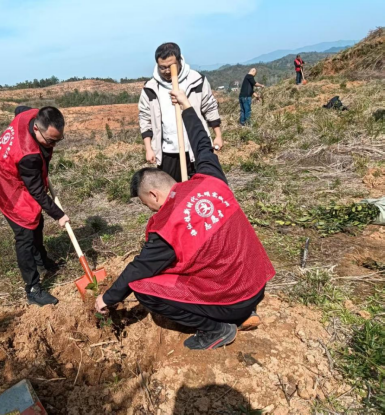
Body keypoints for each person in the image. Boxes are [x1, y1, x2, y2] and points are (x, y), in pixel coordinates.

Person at [96, 89, 276, 351]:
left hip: (233, 298)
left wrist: (107, 298)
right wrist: (187, 107)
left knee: (142, 287)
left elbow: (140, 268)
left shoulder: (168, 225)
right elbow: (202, 144)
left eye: (147, 205)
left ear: (153, 194)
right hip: (256, 284)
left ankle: (216, 329)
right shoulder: (210, 179)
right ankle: (244, 312)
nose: (152, 211)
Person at [0, 106, 70, 307]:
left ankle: (42, 260)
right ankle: (33, 290)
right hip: (6, 185)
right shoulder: (28, 156)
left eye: (58, 140)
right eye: (50, 141)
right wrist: (59, 214)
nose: (54, 145)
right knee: (25, 233)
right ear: (36, 129)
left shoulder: (30, 114)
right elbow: (38, 192)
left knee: (37, 221)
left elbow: (18, 110)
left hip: (16, 174)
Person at [139, 43, 224, 183]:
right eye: (162, 67)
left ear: (179, 61)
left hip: (195, 147)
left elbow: (210, 107)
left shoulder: (196, 80)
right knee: (173, 190)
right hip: (168, 151)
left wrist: (218, 135)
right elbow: (145, 118)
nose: (166, 71)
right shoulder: (151, 88)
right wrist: (149, 148)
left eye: (170, 66)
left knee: (200, 188)